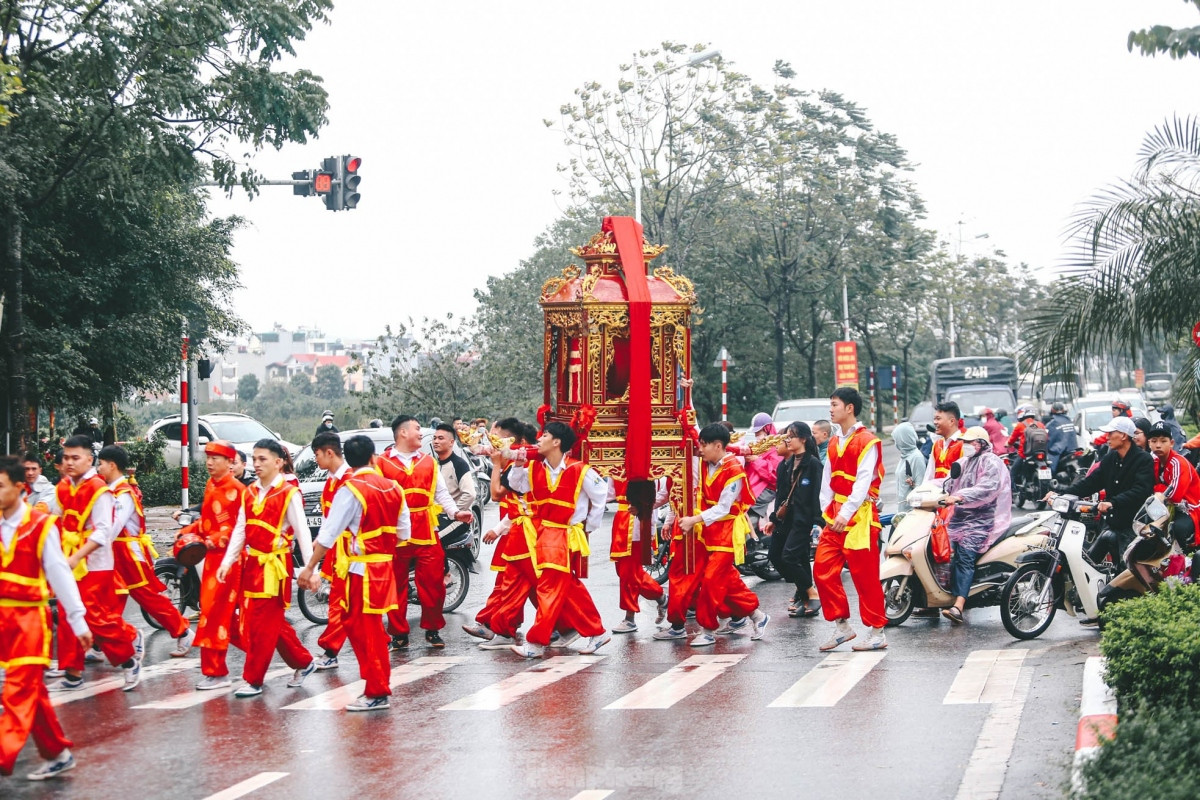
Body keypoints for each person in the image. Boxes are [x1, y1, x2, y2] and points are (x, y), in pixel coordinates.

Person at [299, 435, 408, 711]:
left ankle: (376, 690)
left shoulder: (351, 488)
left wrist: (310, 567)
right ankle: (377, 685)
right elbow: (404, 533)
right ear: (374, 457)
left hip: (360, 570)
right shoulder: (394, 487)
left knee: (363, 629)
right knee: (365, 627)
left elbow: (329, 534)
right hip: (383, 567)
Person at [0, 457, 92, 781]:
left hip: (29, 620)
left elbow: (60, 573)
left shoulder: (40, 526)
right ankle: (57, 752)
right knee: (32, 693)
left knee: (18, 690)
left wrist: (78, 621)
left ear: (20, 489)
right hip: (2, 619)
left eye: (0, 487)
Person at [216, 439, 316, 697]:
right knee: (267, 622)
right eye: (254, 459)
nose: (256, 464)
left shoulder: (288, 493)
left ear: (279, 462)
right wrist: (227, 561)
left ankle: (254, 679)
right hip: (253, 564)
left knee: (261, 624)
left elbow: (303, 533)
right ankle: (303, 661)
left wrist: (310, 569)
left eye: (262, 459)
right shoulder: (249, 492)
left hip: (274, 567)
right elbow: (241, 528)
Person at [42, 435, 141, 691]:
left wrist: (76, 555)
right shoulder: (63, 487)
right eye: (66, 458)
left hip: (96, 563)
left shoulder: (99, 490)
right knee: (66, 614)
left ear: (89, 459)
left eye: (76, 458)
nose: (70, 463)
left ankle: (129, 655)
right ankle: (73, 672)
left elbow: (103, 532)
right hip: (69, 560)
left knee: (93, 617)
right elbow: (54, 519)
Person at [504, 422, 612, 658]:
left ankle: (535, 642)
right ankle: (597, 631)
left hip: (564, 534)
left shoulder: (580, 469)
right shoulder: (534, 468)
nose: (538, 440)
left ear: (557, 443)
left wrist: (589, 526)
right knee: (569, 588)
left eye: (545, 436)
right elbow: (515, 486)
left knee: (548, 588)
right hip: (544, 532)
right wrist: (519, 464)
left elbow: (601, 494)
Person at [378, 415, 472, 649]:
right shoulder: (381, 463)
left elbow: (441, 494)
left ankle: (432, 629)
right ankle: (399, 633)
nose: (422, 434)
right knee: (395, 585)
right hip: (395, 532)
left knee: (433, 584)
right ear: (402, 433)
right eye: (418, 429)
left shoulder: (429, 462)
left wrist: (455, 513)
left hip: (426, 529)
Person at [676, 423, 770, 647]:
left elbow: (723, 509)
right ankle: (757, 616)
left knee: (710, 580)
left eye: (704, 445)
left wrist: (694, 520)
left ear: (718, 446)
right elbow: (692, 427)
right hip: (709, 532)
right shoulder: (706, 462)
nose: (700, 448)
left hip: (726, 533)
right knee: (727, 581)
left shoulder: (733, 470)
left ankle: (708, 629)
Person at [1055, 417, 1155, 623]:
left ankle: (1125, 615)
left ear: (1124, 436)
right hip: (1111, 522)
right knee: (1092, 561)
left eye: (1111, 434)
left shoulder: (1143, 460)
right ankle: (1096, 606)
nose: (1107, 438)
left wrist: (1113, 502)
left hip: (1132, 525)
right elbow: (1090, 482)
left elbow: (1141, 490)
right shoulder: (1110, 458)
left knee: (1125, 571)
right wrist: (1062, 494)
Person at [97, 446, 193, 656]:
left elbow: (113, 526)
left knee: (147, 597)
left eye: (101, 463)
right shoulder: (112, 490)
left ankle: (183, 630)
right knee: (110, 598)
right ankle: (100, 643)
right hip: (115, 550)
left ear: (112, 465)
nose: (98, 468)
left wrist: (93, 545)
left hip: (128, 552)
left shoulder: (123, 493)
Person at [815, 387, 888, 652]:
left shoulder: (867, 440)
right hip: (836, 515)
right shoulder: (834, 441)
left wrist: (845, 514)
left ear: (849, 408)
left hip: (860, 517)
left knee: (864, 576)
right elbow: (828, 480)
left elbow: (863, 482)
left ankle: (877, 631)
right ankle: (842, 627)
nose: (831, 409)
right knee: (822, 569)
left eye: (834, 404)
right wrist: (827, 511)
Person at [464, 419, 538, 650]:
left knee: (531, 585)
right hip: (517, 531)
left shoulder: (523, 467)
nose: (493, 444)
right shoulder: (514, 467)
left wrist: (495, 464)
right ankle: (499, 626)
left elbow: (496, 495)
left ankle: (563, 626)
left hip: (530, 534)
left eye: (498, 439)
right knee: (515, 585)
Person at [189, 440, 248, 690]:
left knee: (214, 614)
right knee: (219, 616)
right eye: (208, 457)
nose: (210, 463)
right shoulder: (211, 485)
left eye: (215, 458)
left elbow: (235, 530)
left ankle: (217, 672)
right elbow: (207, 521)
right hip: (212, 560)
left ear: (230, 462)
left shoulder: (237, 490)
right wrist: (189, 531)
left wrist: (204, 540)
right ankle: (265, 651)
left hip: (229, 560)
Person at [938, 427, 1012, 623]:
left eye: (970, 442)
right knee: (941, 551)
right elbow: (948, 482)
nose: (966, 446)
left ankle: (959, 605)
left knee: (964, 556)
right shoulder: (964, 462)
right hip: (959, 518)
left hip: (981, 521)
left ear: (982, 444)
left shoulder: (991, 462)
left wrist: (960, 496)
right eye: (964, 442)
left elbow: (987, 488)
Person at [763, 421, 823, 617]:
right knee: (775, 555)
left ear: (803, 439)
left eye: (791, 436)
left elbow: (816, 495)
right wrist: (773, 518)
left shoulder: (813, 463)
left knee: (790, 556)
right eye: (786, 436)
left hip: (803, 519)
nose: (787, 440)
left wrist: (818, 522)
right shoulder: (787, 464)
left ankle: (810, 593)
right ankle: (803, 590)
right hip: (786, 519)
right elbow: (782, 494)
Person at [310, 431, 352, 672]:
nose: (316, 459)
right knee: (350, 605)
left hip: (351, 553)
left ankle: (330, 650)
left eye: (317, 454)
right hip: (337, 551)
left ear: (329, 452)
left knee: (341, 604)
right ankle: (384, 640)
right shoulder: (331, 480)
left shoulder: (348, 479)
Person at [607, 477, 668, 633]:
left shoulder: (648, 471)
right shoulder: (614, 470)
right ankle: (661, 597)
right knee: (623, 571)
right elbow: (608, 494)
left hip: (637, 521)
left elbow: (653, 499)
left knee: (629, 573)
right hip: (621, 521)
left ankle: (630, 617)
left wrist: (649, 525)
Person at [1147, 422, 1200, 560]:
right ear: (1149, 443)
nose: (1158, 445)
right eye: (1154, 441)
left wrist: (1157, 490)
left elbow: (1175, 495)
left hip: (1189, 509)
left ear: (1171, 443)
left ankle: (1188, 563)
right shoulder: (1154, 462)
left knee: (1177, 529)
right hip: (1166, 508)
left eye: (1163, 441)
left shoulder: (1178, 462)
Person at [431, 422, 478, 518]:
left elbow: (470, 494)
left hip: (455, 518)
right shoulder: (432, 463)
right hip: (436, 516)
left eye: (440, 438)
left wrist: (454, 513)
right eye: (434, 438)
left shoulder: (459, 464)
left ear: (451, 442)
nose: (436, 441)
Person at [892, 422, 927, 509]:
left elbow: (921, 488)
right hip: (902, 508)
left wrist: (913, 485)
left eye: (897, 440)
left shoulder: (916, 458)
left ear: (903, 439)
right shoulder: (904, 457)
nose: (896, 444)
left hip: (911, 511)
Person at [1045, 402, 1079, 472]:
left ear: (1052, 410)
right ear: (1063, 410)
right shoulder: (1069, 421)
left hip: (1059, 450)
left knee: (1050, 468)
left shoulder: (1052, 423)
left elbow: (1047, 438)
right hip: (1072, 449)